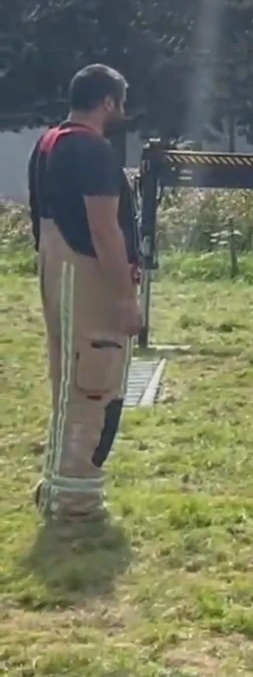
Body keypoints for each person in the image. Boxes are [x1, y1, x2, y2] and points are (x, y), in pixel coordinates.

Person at [28, 64, 142, 525]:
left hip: (56, 268)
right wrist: (124, 300)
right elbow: (104, 230)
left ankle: (55, 485)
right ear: (109, 103)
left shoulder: (47, 143)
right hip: (89, 275)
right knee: (94, 383)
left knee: (67, 382)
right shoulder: (93, 151)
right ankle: (78, 502)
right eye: (121, 102)